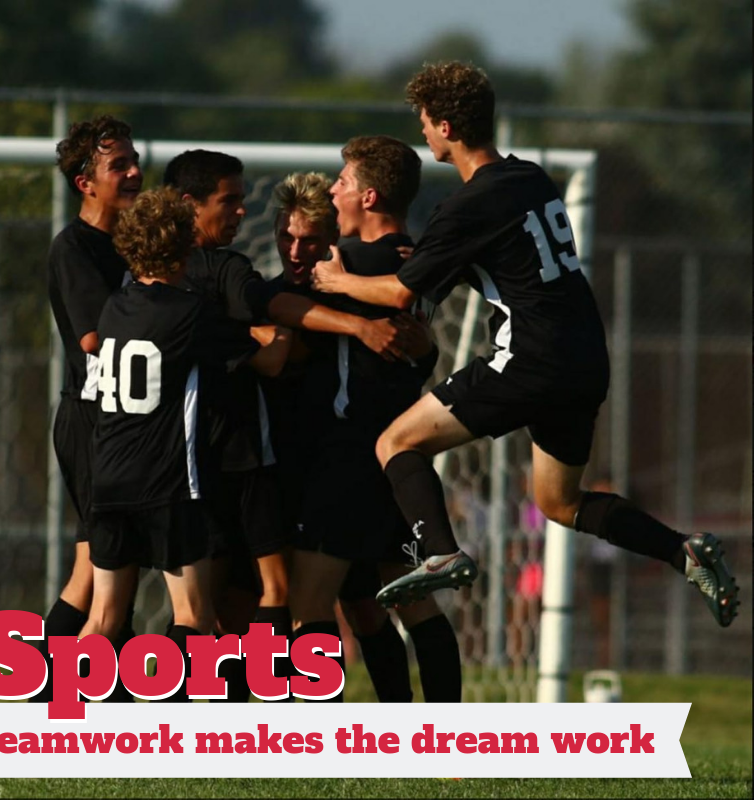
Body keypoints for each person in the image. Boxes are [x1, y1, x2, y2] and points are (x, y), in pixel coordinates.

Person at [311, 61, 739, 628]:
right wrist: (448, 262)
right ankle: (681, 550)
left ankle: (440, 553)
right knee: (560, 502)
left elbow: (397, 294)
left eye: (425, 122)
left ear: (447, 127)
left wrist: (332, 281)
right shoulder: (530, 177)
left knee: (396, 443)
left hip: (532, 358)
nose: (423, 132)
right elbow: (513, 260)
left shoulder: (464, 206)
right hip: (585, 357)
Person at [273, 142, 461, 703]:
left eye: (342, 182)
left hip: (348, 453)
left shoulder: (353, 262)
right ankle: (435, 732)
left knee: (306, 607)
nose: (334, 191)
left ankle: (307, 746)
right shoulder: (414, 257)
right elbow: (418, 345)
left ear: (368, 195)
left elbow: (277, 299)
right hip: (392, 457)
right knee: (394, 600)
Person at [79, 187, 260, 705]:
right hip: (167, 484)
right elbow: (260, 355)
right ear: (185, 249)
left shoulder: (115, 307)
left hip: (107, 479)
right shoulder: (191, 312)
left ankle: (58, 725)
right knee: (195, 618)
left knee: (105, 616)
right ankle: (170, 728)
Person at [163, 149, 293, 701]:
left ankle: (201, 712)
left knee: (209, 603)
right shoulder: (229, 269)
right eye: (230, 201)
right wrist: (278, 332)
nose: (241, 212)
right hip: (243, 451)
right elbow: (273, 351)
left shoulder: (152, 277)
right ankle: (266, 709)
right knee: (272, 587)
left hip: (182, 457)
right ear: (189, 205)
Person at [31, 115, 143, 703]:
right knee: (113, 574)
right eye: (117, 165)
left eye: (133, 160)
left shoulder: (130, 241)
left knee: (93, 575)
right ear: (85, 182)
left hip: (125, 424)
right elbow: (97, 339)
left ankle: (51, 697)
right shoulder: (74, 247)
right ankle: (49, 700)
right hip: (92, 422)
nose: (133, 172)